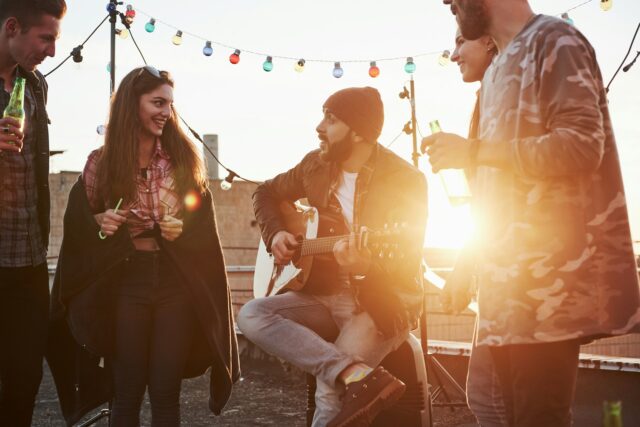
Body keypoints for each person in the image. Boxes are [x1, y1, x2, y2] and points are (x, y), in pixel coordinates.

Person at [423, 1, 640, 426]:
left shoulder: (555, 41)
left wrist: (474, 152)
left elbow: (580, 146)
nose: (448, 3)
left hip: (550, 296)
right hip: (505, 298)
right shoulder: (498, 72)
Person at [47, 66, 240, 426]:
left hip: (174, 285)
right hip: (125, 285)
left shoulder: (182, 161)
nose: (166, 112)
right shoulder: (100, 164)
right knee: (127, 392)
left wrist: (181, 228)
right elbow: (80, 227)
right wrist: (102, 222)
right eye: (157, 102)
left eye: (169, 104)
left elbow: (200, 222)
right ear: (130, 105)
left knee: (166, 392)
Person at [237, 87, 428, 427]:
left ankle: (344, 374)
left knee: (328, 391)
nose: (319, 127)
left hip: (382, 302)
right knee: (252, 315)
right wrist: (277, 234)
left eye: (331, 119)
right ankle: (353, 371)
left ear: (358, 132)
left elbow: (408, 262)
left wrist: (365, 267)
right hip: (323, 293)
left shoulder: (405, 180)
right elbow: (265, 192)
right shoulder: (316, 165)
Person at [0, 0, 66, 425]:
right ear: (12, 27)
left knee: (24, 376)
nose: (52, 51)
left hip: (28, 257)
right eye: (46, 38)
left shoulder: (35, 85)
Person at [443, 29, 508, 427]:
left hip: (515, 273)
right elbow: (487, 200)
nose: (452, 55)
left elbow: (502, 194)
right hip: (499, 270)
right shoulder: (488, 94)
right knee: (491, 396)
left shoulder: (503, 91)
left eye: (459, 42)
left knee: (490, 396)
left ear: (487, 42)